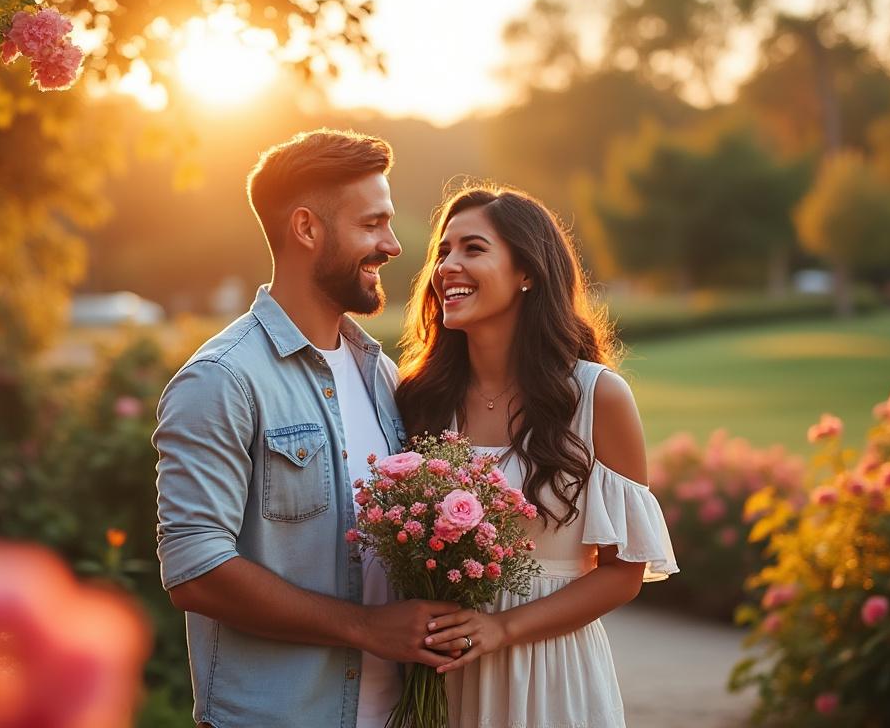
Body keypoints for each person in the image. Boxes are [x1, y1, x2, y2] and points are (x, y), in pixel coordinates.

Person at [153, 129, 459, 728]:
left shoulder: (383, 377)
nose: (393, 245)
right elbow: (196, 570)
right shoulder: (223, 379)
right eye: (372, 224)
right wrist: (367, 628)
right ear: (306, 228)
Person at [395, 183, 680, 727]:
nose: (448, 266)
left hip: (552, 673)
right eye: (444, 251)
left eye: (473, 249)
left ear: (527, 272)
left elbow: (622, 572)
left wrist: (503, 628)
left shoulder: (597, 397)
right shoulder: (419, 399)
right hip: (441, 674)